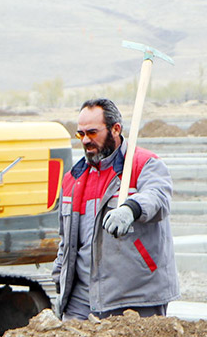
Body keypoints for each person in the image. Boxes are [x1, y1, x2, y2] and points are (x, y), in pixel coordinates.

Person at [52, 98, 179, 320]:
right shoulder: (73, 179)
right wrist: (59, 275)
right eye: (81, 134)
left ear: (116, 129)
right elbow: (67, 239)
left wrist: (131, 208)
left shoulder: (144, 164)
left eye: (92, 132)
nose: (85, 140)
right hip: (81, 300)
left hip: (135, 298)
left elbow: (158, 197)